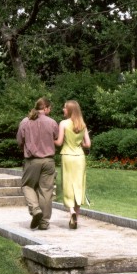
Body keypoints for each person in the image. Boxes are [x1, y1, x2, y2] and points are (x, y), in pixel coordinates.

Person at [16, 97, 59, 230]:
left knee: (27, 186)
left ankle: (35, 210)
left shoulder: (25, 121)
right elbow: (56, 138)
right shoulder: (52, 122)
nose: (50, 111)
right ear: (45, 108)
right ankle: (44, 222)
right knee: (46, 191)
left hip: (32, 160)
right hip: (49, 160)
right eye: (49, 108)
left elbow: (19, 140)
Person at [54, 100, 91, 229]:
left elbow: (58, 143)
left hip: (67, 156)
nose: (63, 110)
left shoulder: (63, 123)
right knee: (79, 184)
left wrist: (50, 139)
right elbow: (88, 144)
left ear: (69, 110)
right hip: (80, 157)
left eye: (64, 108)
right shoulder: (82, 124)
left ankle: (71, 212)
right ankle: (77, 217)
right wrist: (80, 143)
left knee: (68, 183)